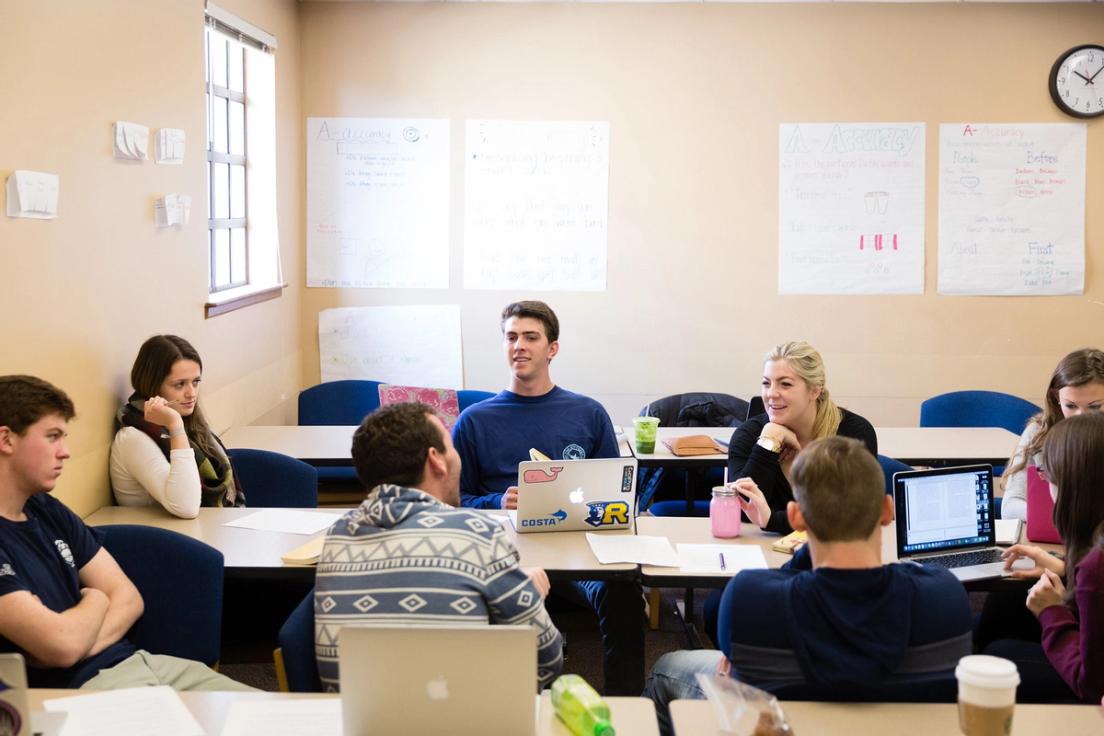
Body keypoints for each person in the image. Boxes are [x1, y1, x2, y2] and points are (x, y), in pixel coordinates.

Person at [644, 437, 972, 735]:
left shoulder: (749, 597)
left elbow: (785, 583)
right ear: (887, 511)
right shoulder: (945, 596)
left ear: (796, 518)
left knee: (666, 669)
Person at [0, 375, 253, 691]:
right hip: (82, 691)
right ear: (7, 440)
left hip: (139, 663)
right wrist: (95, 599)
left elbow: (129, 599)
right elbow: (61, 646)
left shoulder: (45, 508)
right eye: (52, 437)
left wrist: (79, 637)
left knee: (283, 717)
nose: (65, 452)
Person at [451, 300, 645, 696]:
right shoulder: (475, 420)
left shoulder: (587, 412)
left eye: (530, 337)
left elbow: (616, 496)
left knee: (623, 590)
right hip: (506, 551)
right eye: (511, 337)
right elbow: (455, 503)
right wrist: (495, 502)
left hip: (577, 551)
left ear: (552, 348)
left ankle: (625, 706)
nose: (518, 345)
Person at [314, 401, 563, 693]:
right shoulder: (476, 534)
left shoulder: (336, 538)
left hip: (359, 723)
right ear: (436, 460)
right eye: (451, 445)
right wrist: (528, 596)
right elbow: (548, 659)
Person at [984, 412, 1104, 703]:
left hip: (1089, 693)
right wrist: (1065, 569)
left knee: (996, 656)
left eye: (1046, 476)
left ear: (1071, 484)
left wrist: (1052, 612)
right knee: (1008, 602)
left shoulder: (1095, 568)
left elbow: (1091, 685)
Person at [727, 341, 877, 535]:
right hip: (764, 552)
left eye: (785, 384)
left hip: (834, 552)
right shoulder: (749, 435)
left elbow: (850, 515)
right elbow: (743, 509)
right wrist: (769, 441)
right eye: (766, 383)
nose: (771, 393)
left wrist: (773, 520)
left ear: (815, 390)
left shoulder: (852, 434)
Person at [110, 335, 243, 519]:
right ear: (153, 386)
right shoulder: (132, 438)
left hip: (206, 531)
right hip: (162, 542)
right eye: (180, 384)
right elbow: (186, 506)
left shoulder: (193, 424)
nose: (191, 393)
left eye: (195, 382)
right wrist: (174, 424)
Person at [1000, 348, 1104, 520]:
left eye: (1094, 407)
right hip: (1056, 539)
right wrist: (1066, 519)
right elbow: (1010, 507)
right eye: (1071, 406)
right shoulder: (1038, 433)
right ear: (1056, 396)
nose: (1081, 417)